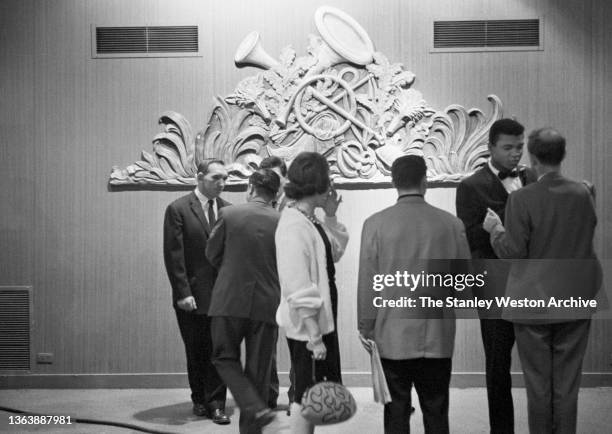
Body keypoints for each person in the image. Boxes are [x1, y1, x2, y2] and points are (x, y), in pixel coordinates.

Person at [483, 128, 601, 434]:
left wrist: (495, 231)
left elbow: (513, 252)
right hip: (575, 297)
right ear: (562, 155)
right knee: (567, 385)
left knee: (538, 385)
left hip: (532, 300)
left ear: (533, 157)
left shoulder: (522, 198)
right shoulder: (584, 193)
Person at [358, 155, 471, 434]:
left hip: (392, 333)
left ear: (394, 182)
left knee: (395, 410)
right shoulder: (451, 224)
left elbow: (369, 282)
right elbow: (464, 284)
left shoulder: (375, 224)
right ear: (425, 180)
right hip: (438, 334)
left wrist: (366, 325)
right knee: (436, 409)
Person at [455, 118, 536, 433]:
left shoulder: (533, 177)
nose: (515, 154)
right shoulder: (470, 186)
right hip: (493, 287)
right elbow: (468, 238)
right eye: (508, 148)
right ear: (490, 148)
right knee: (498, 365)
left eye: (519, 147)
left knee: (538, 364)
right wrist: (495, 227)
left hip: (533, 284)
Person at [275, 152, 348, 433]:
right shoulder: (293, 224)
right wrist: (314, 337)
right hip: (309, 326)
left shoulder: (309, 219)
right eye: (327, 178)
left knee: (312, 391)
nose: (330, 184)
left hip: (320, 320)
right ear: (316, 182)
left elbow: (335, 252)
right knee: (306, 393)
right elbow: (297, 284)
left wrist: (330, 214)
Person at [206, 169, 282, 433]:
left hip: (229, 299)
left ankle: (254, 405)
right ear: (277, 193)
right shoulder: (283, 221)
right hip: (267, 303)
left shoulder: (228, 214)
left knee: (223, 357)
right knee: (259, 372)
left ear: (250, 188)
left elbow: (211, 254)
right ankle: (253, 426)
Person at [162, 159, 230, 425]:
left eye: (225, 178)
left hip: (223, 296)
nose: (222, 183)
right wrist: (182, 292)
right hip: (191, 295)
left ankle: (216, 404)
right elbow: (174, 255)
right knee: (196, 350)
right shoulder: (178, 209)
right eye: (216, 178)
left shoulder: (229, 210)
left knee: (220, 351)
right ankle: (199, 397)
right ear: (200, 177)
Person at [259, 155, 292, 411]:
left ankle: (297, 396)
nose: (271, 181)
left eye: (275, 176)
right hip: (266, 280)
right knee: (265, 344)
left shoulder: (298, 202)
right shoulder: (257, 203)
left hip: (294, 280)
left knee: (298, 343)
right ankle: (268, 395)